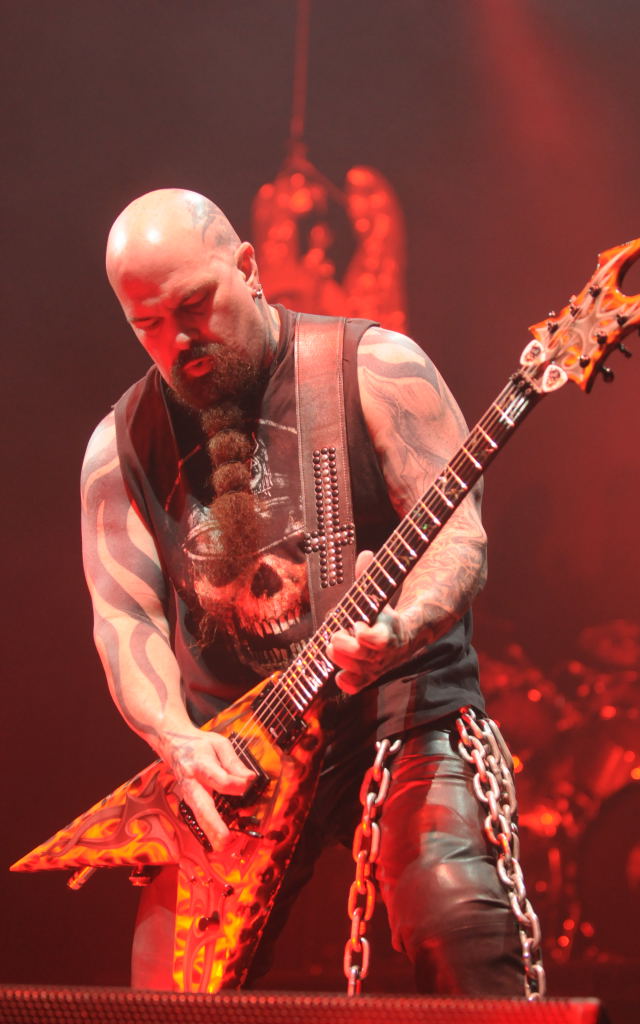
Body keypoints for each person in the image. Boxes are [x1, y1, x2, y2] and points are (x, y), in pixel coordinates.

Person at [81, 187, 526, 994]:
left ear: (248, 267)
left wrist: (403, 626)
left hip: (396, 713)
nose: (180, 339)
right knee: (164, 995)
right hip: (240, 755)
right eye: (150, 323)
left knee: (455, 919)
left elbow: (459, 536)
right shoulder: (120, 448)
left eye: (195, 304)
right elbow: (123, 618)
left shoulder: (375, 367)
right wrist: (176, 740)